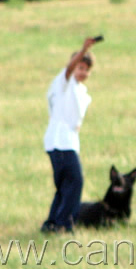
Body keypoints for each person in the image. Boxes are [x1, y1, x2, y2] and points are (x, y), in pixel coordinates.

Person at [41, 37, 100, 233]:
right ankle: (63, 224)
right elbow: (68, 69)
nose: (81, 72)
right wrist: (84, 50)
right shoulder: (64, 83)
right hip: (60, 142)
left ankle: (52, 222)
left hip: (66, 142)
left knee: (65, 184)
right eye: (79, 67)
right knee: (75, 181)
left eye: (85, 69)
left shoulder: (81, 90)